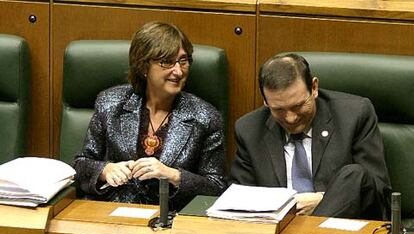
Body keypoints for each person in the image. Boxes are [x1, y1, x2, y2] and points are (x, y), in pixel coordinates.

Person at [74, 21, 227, 211]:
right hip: (112, 216)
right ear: (143, 66)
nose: (178, 71)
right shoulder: (110, 103)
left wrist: (173, 175)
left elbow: (217, 187)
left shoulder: (205, 117)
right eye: (167, 62)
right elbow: (81, 166)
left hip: (170, 221)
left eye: (183, 61)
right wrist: (105, 171)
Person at [231, 53, 391, 219]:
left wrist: (324, 200)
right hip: (276, 231)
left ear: (314, 88)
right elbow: (240, 201)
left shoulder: (353, 115)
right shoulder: (249, 130)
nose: (290, 118)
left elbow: (379, 192)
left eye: (298, 106)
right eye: (278, 109)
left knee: (355, 175)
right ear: (265, 101)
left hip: (344, 229)